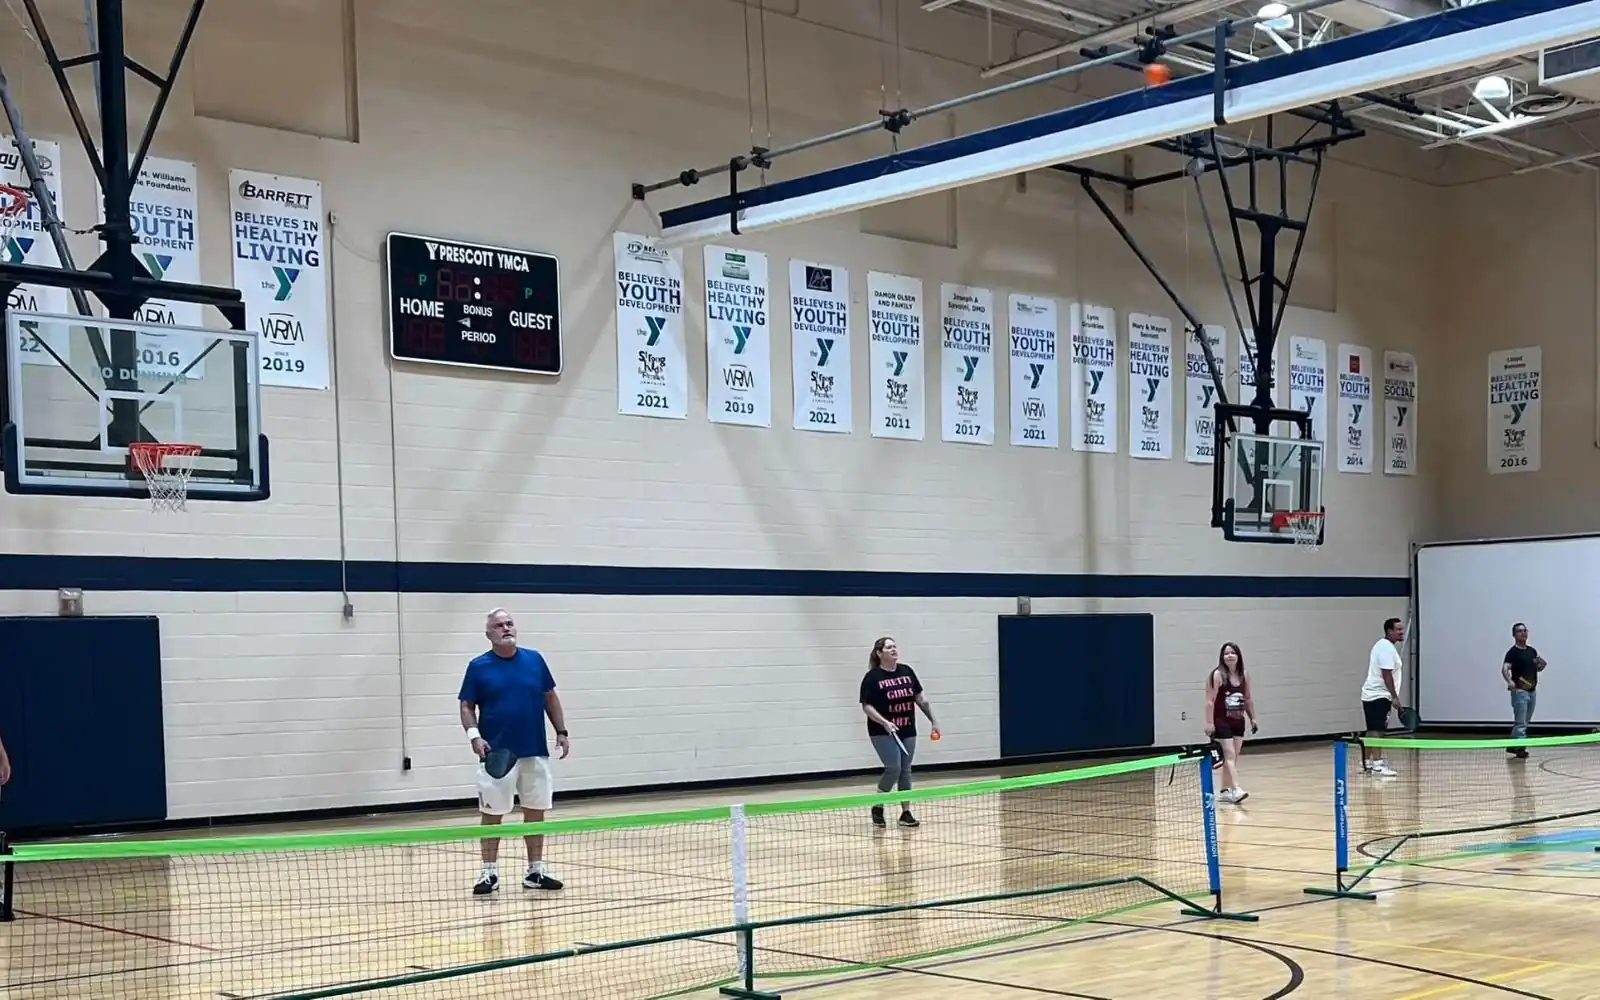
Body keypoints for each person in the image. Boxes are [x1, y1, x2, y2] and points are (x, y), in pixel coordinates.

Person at [459, 608, 571, 895]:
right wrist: (475, 736)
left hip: (534, 750)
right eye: (499, 625)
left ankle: (535, 871)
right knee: (492, 813)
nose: (506, 628)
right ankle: (489, 873)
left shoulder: (534, 660)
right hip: (497, 754)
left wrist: (561, 731)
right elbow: (466, 706)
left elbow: (550, 697)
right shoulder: (478, 666)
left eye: (509, 623)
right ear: (488, 634)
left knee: (535, 811)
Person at [859, 637, 941, 828]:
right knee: (893, 768)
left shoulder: (907, 671)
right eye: (889, 647)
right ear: (879, 653)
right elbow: (867, 706)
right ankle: (878, 805)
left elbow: (921, 699)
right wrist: (884, 722)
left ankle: (905, 812)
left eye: (894, 646)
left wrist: (934, 721)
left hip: (907, 728)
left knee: (905, 770)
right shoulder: (872, 678)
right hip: (882, 730)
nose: (894, 649)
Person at [1203, 642, 1257, 804]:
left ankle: (1225, 790)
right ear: (1222, 657)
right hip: (1221, 721)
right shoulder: (1217, 675)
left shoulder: (1244, 675)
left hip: (1238, 721)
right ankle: (1236, 789)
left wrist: (1253, 718)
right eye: (1226, 653)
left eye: (1233, 653)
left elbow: (1248, 698)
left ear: (1238, 656)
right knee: (1229, 755)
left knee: (1233, 757)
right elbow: (1210, 701)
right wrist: (1209, 723)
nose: (1230, 656)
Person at [1360, 617, 1405, 777]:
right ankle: (1377, 765)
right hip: (1378, 695)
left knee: (1372, 730)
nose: (1402, 632)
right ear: (1389, 631)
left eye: (1402, 629)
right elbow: (1387, 675)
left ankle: (1367, 764)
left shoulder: (1383, 646)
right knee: (1377, 731)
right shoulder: (1385, 648)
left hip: (1372, 695)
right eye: (1398, 629)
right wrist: (1394, 697)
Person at [1502, 622, 1546, 758]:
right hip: (1520, 692)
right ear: (1514, 635)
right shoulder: (1513, 652)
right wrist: (1510, 682)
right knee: (1521, 722)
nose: (1523, 633)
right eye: (1519, 631)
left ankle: (1512, 745)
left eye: (1525, 630)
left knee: (1524, 721)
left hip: (1532, 690)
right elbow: (1505, 668)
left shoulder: (1532, 651)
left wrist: (1541, 665)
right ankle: (1521, 748)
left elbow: (1538, 665)